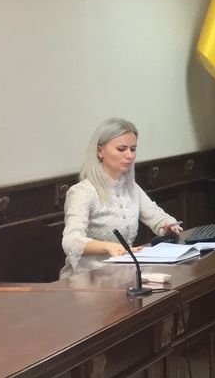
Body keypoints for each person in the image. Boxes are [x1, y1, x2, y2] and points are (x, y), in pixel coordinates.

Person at [61, 117, 183, 276]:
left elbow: (156, 216)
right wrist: (108, 247)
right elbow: (71, 241)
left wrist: (168, 226)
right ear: (100, 151)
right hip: (88, 277)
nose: (129, 155)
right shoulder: (82, 192)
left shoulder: (131, 187)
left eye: (133, 149)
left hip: (124, 273)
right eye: (121, 149)